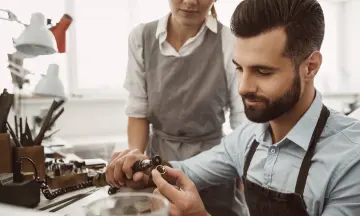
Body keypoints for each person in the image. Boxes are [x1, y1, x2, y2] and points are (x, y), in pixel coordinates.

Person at [107, 0, 360, 215]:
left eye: (263, 71)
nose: (243, 87)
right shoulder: (246, 140)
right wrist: (143, 167)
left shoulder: (350, 159)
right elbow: (185, 169)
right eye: (239, 68)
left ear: (310, 67)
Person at [115, 0, 247, 216]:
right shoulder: (141, 37)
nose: (190, 1)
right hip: (158, 161)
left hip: (213, 164)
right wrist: (136, 161)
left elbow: (243, 121)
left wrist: (245, 167)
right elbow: (138, 111)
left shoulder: (229, 41)